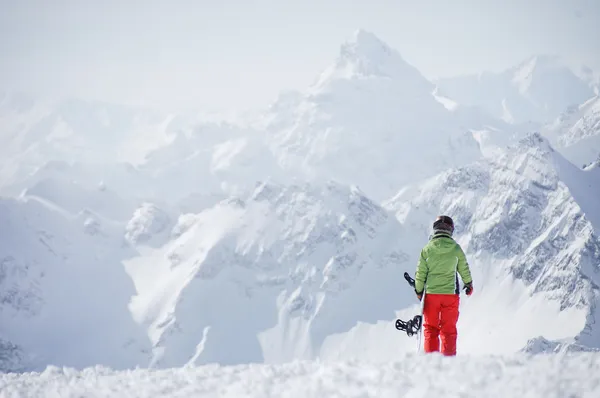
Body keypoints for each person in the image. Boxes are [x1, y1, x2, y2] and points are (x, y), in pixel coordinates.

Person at [414, 215, 473, 356]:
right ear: (451, 230)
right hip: (450, 296)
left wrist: (419, 290)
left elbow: (420, 273)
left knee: (431, 329)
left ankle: (431, 362)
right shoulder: (456, 249)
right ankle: (448, 364)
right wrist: (468, 284)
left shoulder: (427, 250)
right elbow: (464, 268)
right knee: (448, 330)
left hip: (431, 296)